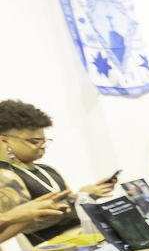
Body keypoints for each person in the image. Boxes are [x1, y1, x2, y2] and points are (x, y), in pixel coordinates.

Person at [0, 100, 119, 243]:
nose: (42, 146)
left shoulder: (48, 170)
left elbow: (68, 206)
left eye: (44, 140)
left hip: (82, 236)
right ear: (5, 141)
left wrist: (85, 195)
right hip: (54, 246)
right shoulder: (5, 176)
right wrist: (76, 200)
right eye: (34, 141)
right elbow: (26, 225)